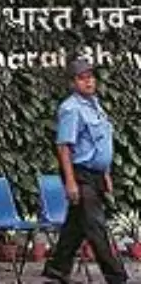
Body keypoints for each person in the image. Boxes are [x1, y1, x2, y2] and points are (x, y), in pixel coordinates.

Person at [42, 57, 128, 284]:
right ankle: (116, 277)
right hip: (80, 174)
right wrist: (70, 182)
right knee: (95, 225)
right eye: (82, 78)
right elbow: (64, 147)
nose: (89, 82)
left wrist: (106, 174)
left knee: (76, 225)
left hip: (95, 174)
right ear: (72, 83)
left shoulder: (94, 105)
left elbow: (100, 143)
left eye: (91, 77)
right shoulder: (71, 108)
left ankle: (57, 269)